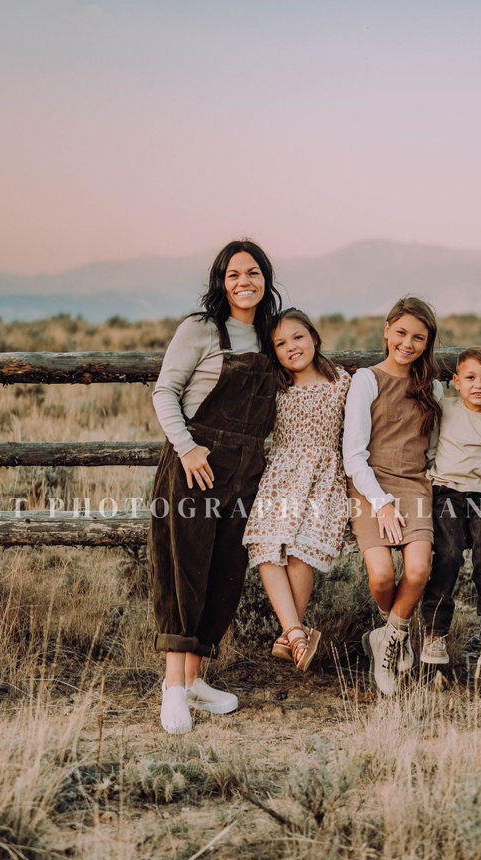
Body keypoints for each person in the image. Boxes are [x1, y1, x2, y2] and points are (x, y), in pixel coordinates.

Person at [149, 239, 282, 734]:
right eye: (233, 275)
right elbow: (166, 392)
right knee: (185, 569)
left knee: (226, 574)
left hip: (247, 471)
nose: (243, 282)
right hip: (195, 466)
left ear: (266, 278)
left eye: (252, 273)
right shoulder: (201, 329)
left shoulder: (271, 337)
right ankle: (172, 688)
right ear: (220, 283)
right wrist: (187, 448)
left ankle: (197, 680)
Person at [343, 297, 444, 696]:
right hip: (369, 484)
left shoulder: (431, 387)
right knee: (382, 574)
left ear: (427, 342)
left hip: (415, 483)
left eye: (419, 337)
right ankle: (392, 631)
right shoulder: (367, 379)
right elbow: (353, 454)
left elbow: (433, 448)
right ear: (386, 330)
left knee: (418, 570)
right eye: (401, 333)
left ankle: (386, 642)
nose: (408, 343)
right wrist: (380, 502)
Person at [243, 309, 351, 671]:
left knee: (301, 548)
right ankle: (296, 632)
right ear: (273, 352)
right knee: (266, 543)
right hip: (282, 477)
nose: (291, 347)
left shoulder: (341, 382)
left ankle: (290, 635)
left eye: (298, 337)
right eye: (280, 344)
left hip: (324, 480)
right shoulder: (274, 387)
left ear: (315, 338)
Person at [420, 346, 481, 671]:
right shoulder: (445, 408)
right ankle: (434, 633)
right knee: (447, 555)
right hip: (446, 492)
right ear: (456, 382)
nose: (479, 385)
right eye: (471, 377)